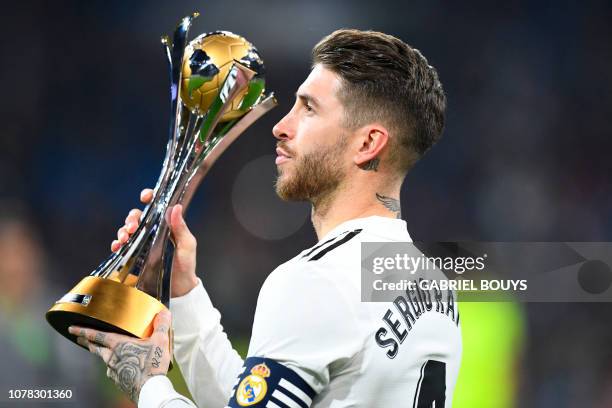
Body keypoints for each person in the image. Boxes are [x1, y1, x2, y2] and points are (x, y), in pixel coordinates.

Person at [70, 29, 462, 407]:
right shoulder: (435, 286)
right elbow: (254, 398)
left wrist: (148, 386)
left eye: (308, 108)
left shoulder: (317, 281)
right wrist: (184, 291)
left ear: (367, 144)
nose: (280, 126)